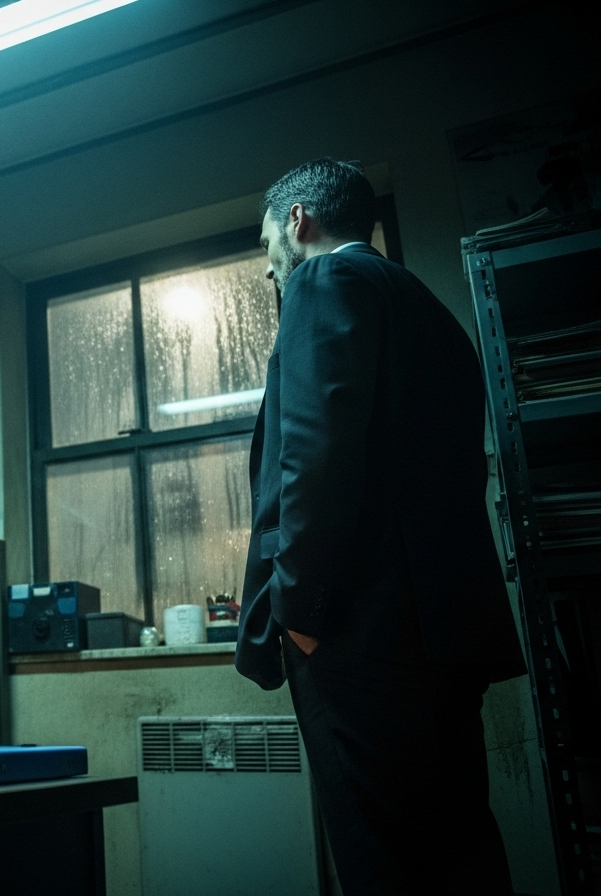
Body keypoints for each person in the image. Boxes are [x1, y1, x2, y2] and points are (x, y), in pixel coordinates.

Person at [236, 158, 527, 894]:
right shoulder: (428, 309)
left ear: (298, 221)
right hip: (444, 632)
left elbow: (316, 450)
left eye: (268, 243)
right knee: (458, 848)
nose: (269, 270)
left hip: (359, 630)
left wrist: (299, 613)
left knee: (384, 861)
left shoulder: (322, 281)